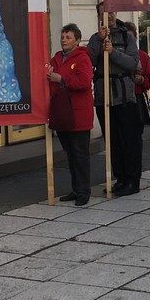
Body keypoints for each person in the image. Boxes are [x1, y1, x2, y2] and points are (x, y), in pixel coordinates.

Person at [89, 4, 142, 196]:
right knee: (112, 141)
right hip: (104, 97)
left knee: (129, 140)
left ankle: (132, 180)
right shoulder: (95, 38)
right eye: (104, 12)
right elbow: (90, 61)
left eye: (111, 11)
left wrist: (112, 52)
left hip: (124, 96)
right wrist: (99, 40)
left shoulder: (126, 36)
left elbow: (132, 62)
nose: (109, 15)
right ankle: (120, 178)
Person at [48, 23, 94, 206]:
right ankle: (76, 189)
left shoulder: (83, 58)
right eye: (62, 37)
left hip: (78, 114)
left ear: (77, 40)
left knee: (80, 154)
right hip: (61, 113)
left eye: (68, 37)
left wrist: (62, 79)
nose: (64, 40)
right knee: (70, 154)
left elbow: (83, 82)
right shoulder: (57, 58)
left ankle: (84, 191)